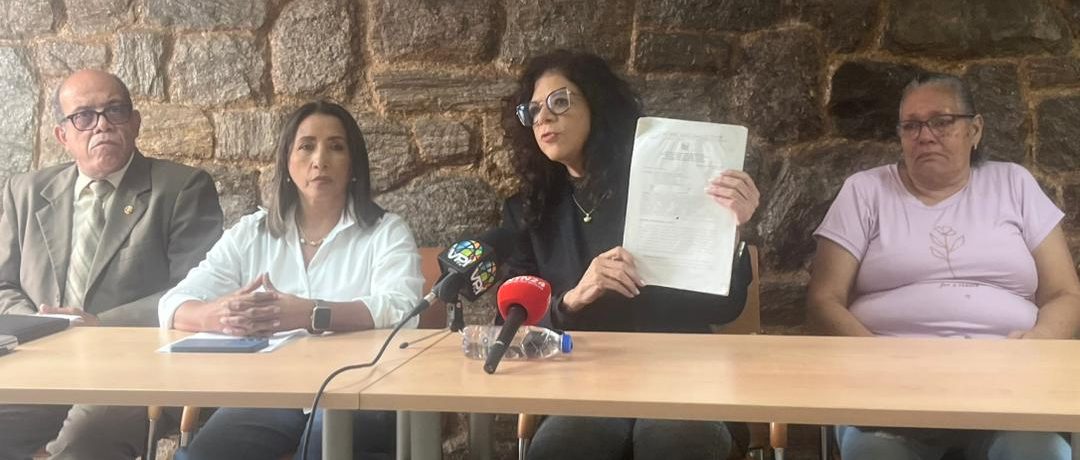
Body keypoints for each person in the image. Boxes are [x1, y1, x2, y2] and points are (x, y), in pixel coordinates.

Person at [500, 50, 760, 460]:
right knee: (561, 450)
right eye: (532, 110)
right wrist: (571, 300)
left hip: (683, 378)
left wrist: (730, 230)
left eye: (559, 102)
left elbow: (724, 308)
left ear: (597, 104)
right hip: (585, 387)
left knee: (675, 444)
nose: (544, 118)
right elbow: (512, 327)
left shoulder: (669, 186)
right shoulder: (529, 211)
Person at [808, 72, 1080, 460]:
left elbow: (1065, 292)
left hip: (1008, 388)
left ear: (975, 129)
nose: (925, 135)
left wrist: (1041, 343)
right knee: (874, 452)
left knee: (1039, 453)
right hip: (888, 392)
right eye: (911, 125)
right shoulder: (864, 191)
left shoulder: (1014, 184)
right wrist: (876, 359)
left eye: (941, 121)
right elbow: (823, 299)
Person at [159, 100, 423, 460]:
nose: (320, 160)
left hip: (358, 388)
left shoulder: (385, 232)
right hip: (271, 391)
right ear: (287, 162)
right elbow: (173, 303)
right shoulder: (252, 233)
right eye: (306, 146)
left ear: (353, 164)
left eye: (336, 147)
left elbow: (404, 309)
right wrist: (217, 315)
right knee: (201, 456)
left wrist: (312, 314)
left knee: (322, 447)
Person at [0, 69, 224, 459]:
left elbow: (197, 291)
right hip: (42, 365)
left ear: (135, 123)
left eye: (114, 111)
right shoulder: (26, 191)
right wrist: (40, 326)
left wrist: (97, 324)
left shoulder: (181, 188)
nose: (101, 125)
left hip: (136, 369)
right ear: (62, 135)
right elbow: (3, 285)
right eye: (84, 116)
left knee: (85, 437)